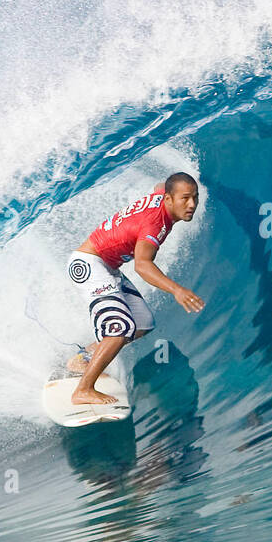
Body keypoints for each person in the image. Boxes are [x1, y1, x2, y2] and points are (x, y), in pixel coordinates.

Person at [65, 172, 205, 405]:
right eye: (185, 198)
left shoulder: (163, 196)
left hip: (107, 266)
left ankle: (85, 358)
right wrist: (177, 290)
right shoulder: (156, 223)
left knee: (142, 323)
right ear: (169, 200)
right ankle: (83, 390)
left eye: (195, 197)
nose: (192, 205)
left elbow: (160, 185)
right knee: (120, 328)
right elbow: (142, 265)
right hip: (88, 264)